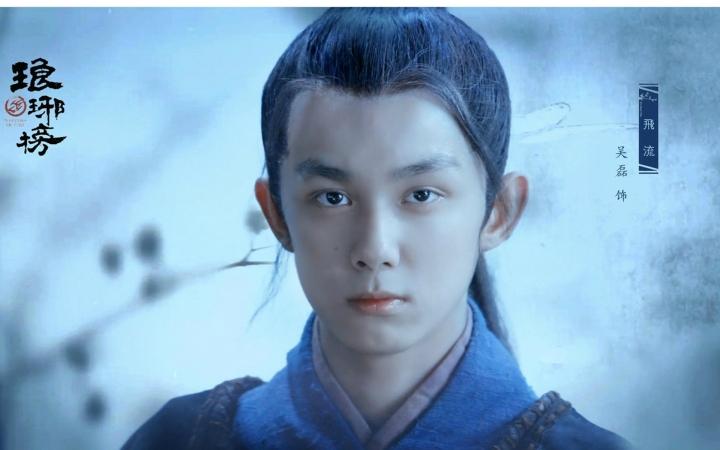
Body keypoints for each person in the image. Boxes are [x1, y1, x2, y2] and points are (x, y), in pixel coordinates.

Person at [122, 8, 633, 450]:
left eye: (421, 195)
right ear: (276, 214)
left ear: (499, 211)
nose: (374, 248)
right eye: (332, 197)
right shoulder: (177, 439)